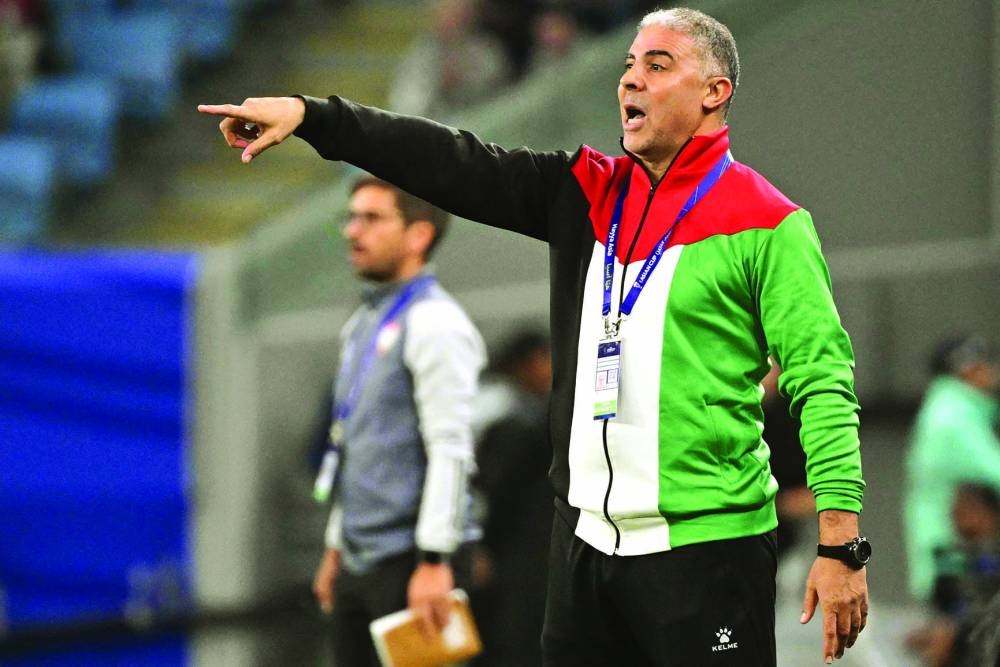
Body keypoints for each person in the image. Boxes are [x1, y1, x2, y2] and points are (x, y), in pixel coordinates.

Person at [199, 7, 869, 664]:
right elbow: (452, 162)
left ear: (714, 92)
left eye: (657, 65)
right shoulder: (587, 193)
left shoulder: (768, 221)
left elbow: (822, 377)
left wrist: (840, 544)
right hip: (582, 554)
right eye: (629, 64)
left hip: (706, 554)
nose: (630, 79)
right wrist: (317, 119)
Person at [308, 175, 486, 666]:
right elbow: (354, 443)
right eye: (351, 216)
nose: (352, 230)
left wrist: (435, 561)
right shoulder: (362, 322)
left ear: (419, 235)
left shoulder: (436, 324)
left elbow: (450, 450)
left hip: (413, 562)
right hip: (361, 556)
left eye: (372, 218)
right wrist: (335, 545)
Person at [469, 326, 553, 666]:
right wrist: (474, 544)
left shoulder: (523, 410)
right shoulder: (502, 412)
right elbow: (486, 489)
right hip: (506, 556)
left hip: (519, 552)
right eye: (544, 359)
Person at [903, 335, 1000, 605]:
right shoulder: (952, 416)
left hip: (949, 558)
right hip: (952, 562)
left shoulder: (947, 409)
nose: (992, 371)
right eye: (984, 363)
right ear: (967, 368)